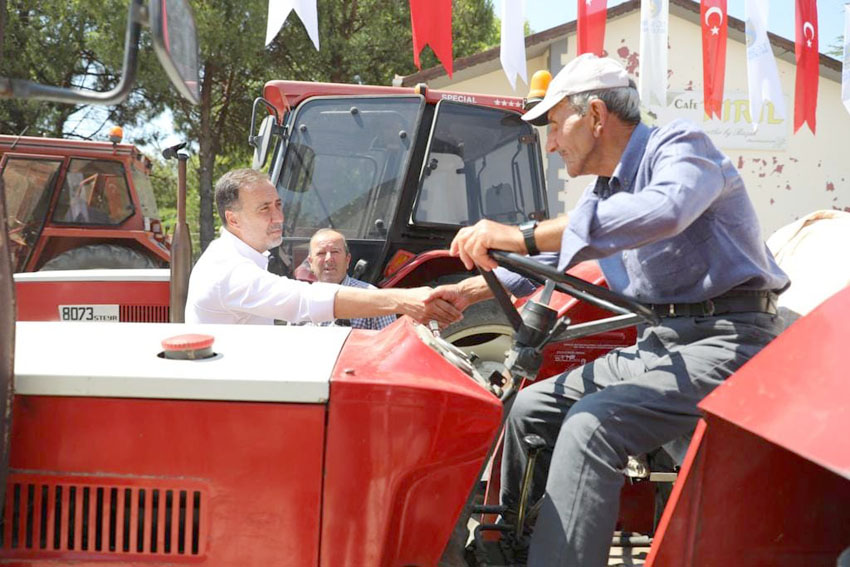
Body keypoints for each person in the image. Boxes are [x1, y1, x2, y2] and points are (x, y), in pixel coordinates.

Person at [429, 53, 789, 566]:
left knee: (591, 425)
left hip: (731, 338)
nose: (551, 143)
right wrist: (469, 291)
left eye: (555, 125)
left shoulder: (681, 148)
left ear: (595, 116)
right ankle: (505, 550)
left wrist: (522, 233)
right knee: (532, 409)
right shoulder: (606, 191)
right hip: (660, 341)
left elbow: (665, 210)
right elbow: (557, 253)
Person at [185, 168, 460, 327]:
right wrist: (405, 300)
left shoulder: (241, 259)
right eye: (264, 209)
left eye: (278, 205)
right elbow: (303, 301)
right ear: (233, 219)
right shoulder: (229, 270)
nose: (278, 217)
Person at [307, 228, 396, 330]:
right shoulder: (301, 300)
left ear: (347, 260)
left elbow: (391, 343)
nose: (328, 259)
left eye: (335, 252)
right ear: (310, 262)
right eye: (321, 253)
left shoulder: (375, 301)